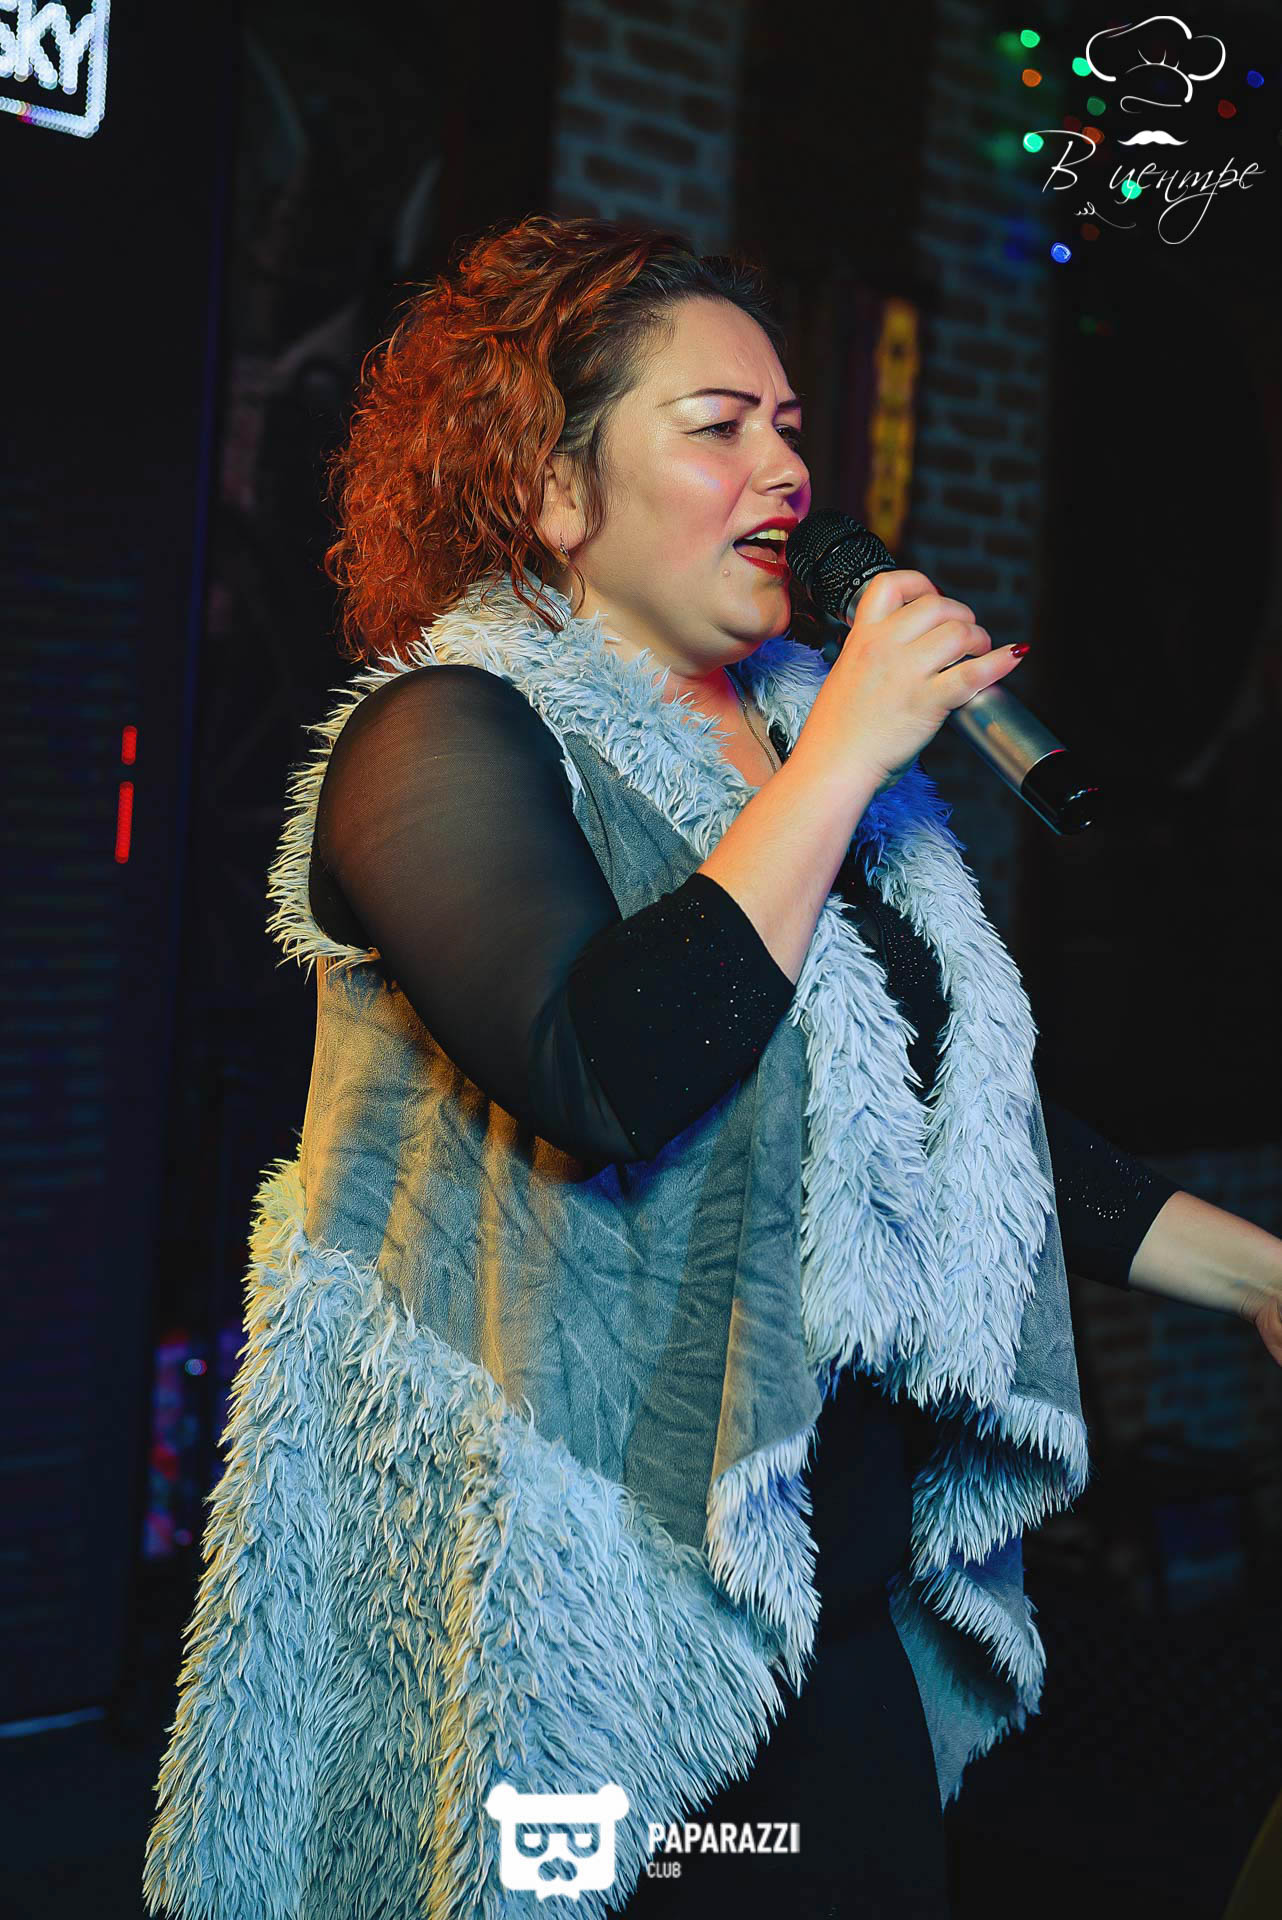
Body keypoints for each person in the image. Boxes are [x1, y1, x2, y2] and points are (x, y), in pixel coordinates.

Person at [143, 215, 1282, 1920]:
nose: (788, 471)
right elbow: (604, 1071)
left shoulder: (825, 768)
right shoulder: (443, 733)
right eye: (718, 425)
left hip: (825, 1571)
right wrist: (836, 762)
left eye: (791, 429)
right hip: (579, 1590)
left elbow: (967, 1132)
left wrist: (1258, 1274)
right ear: (551, 491)